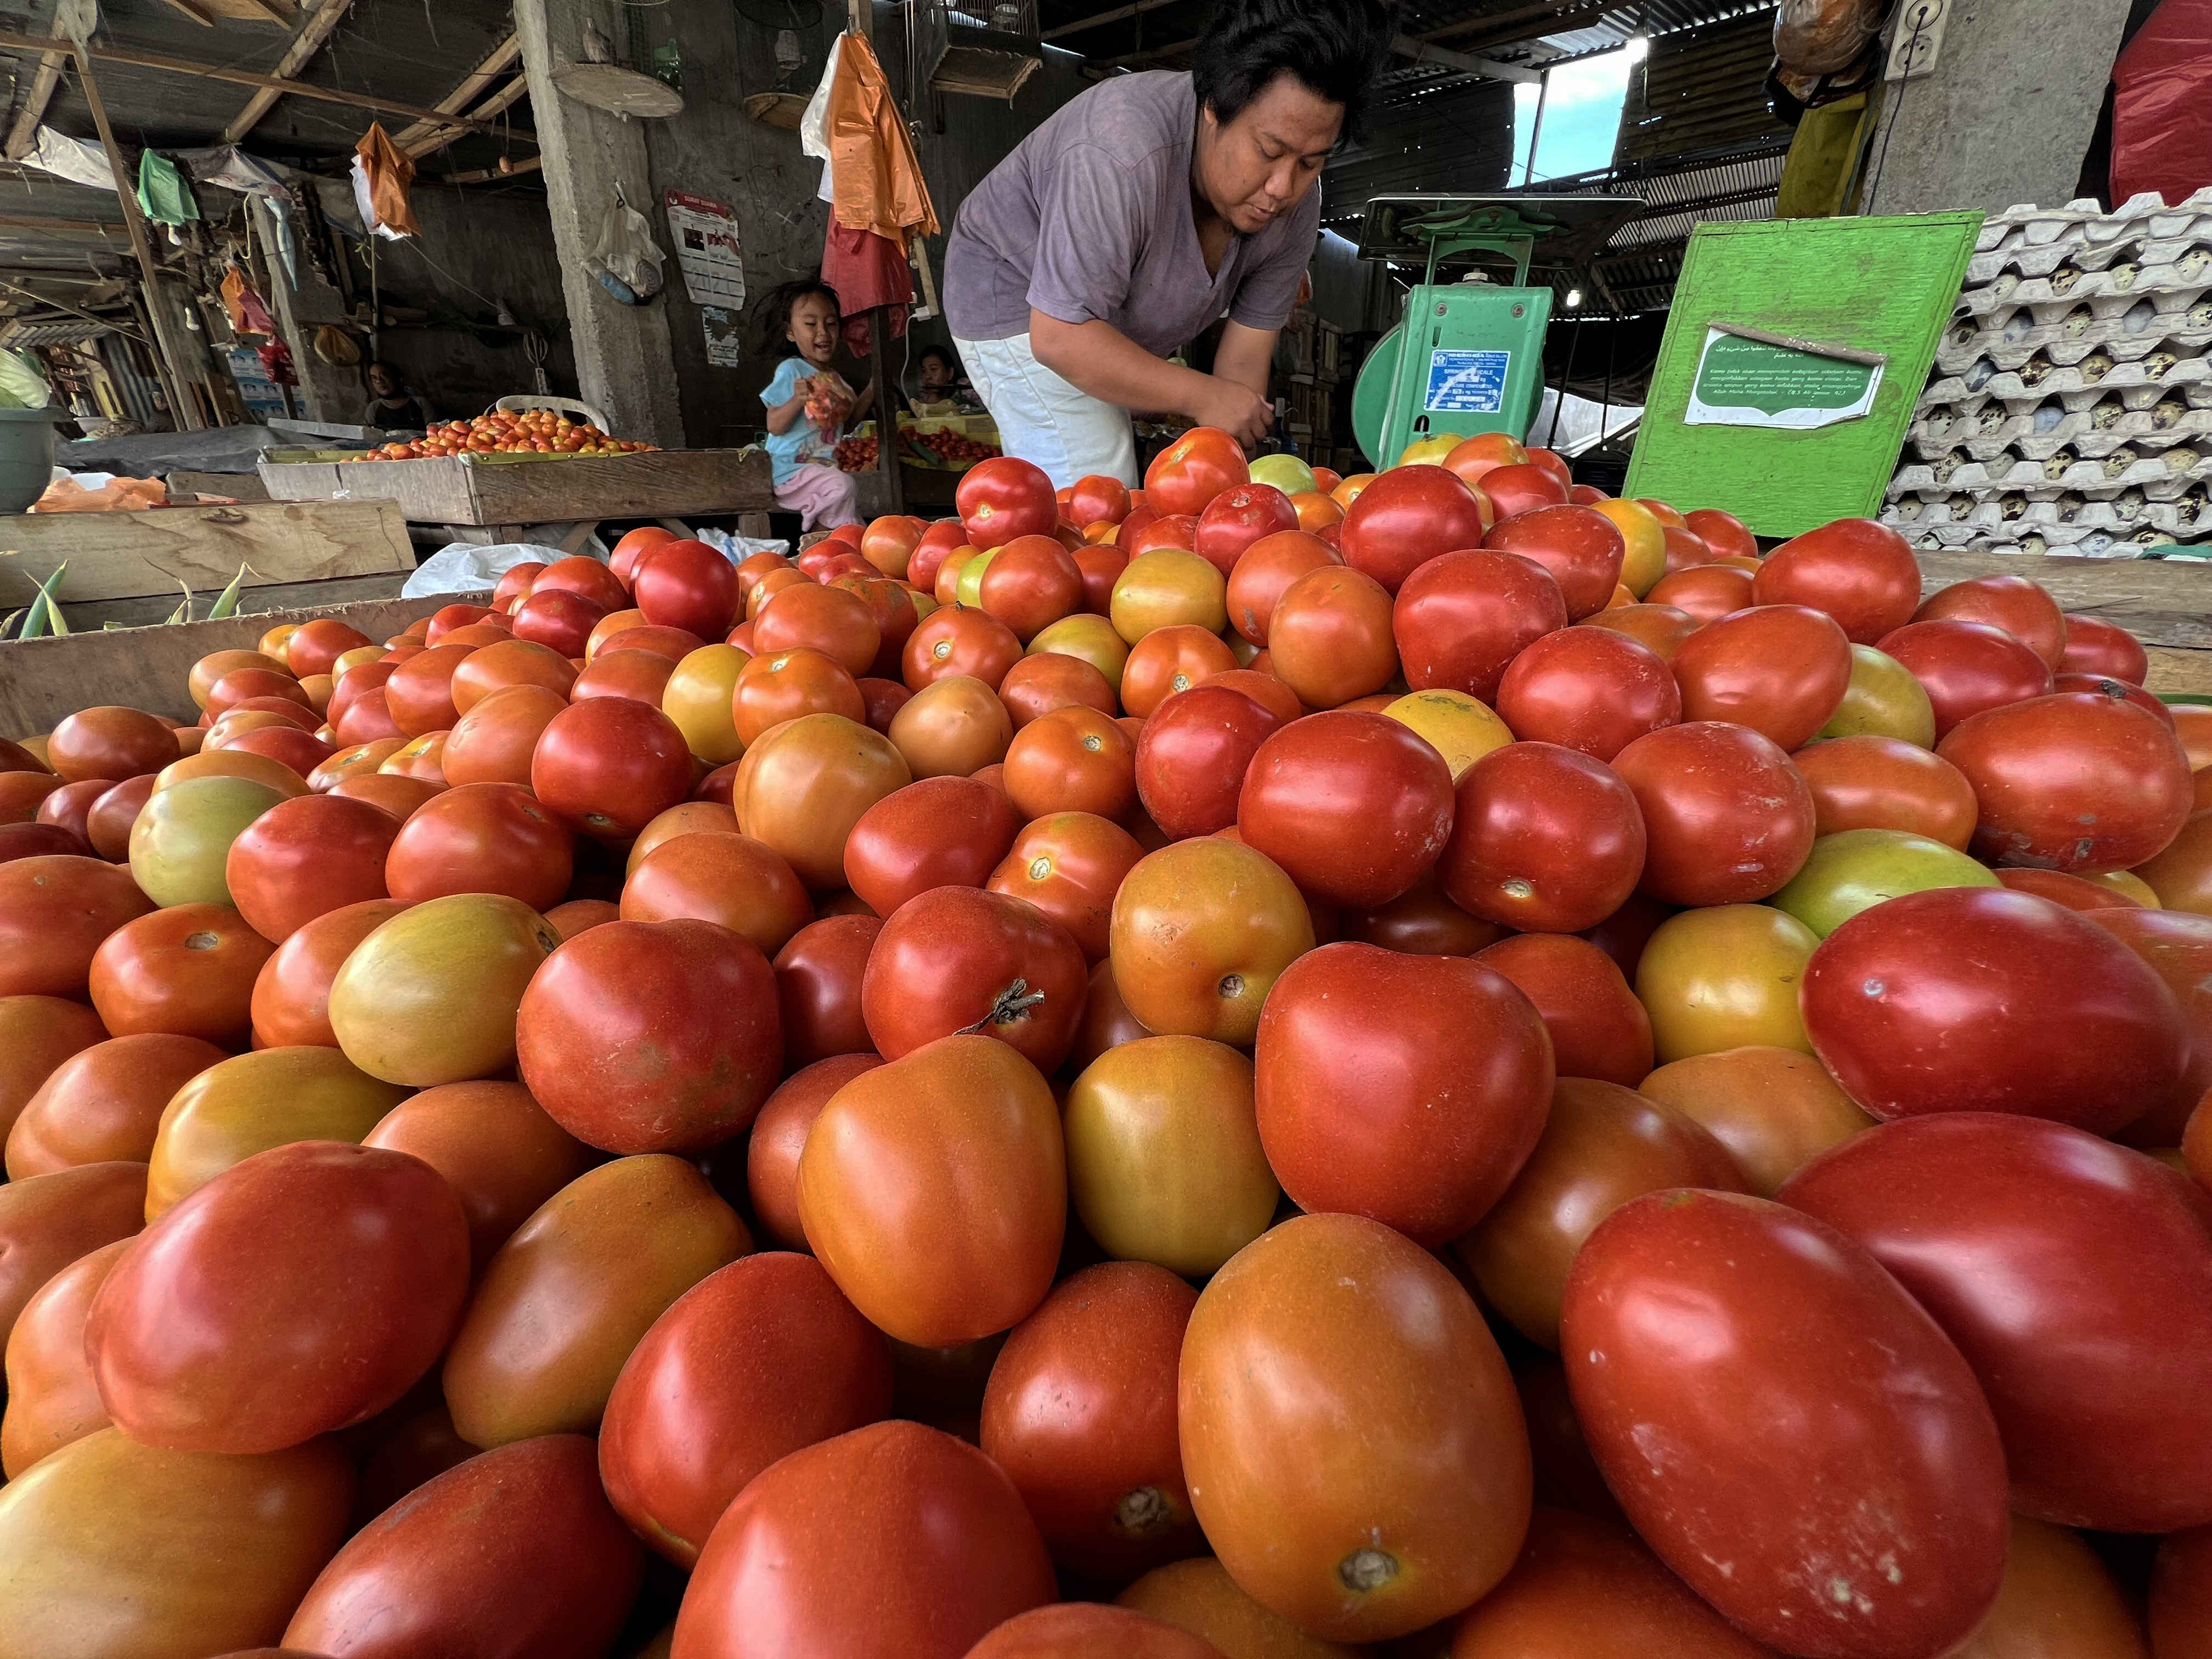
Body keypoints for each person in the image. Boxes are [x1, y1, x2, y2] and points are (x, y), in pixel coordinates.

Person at [942, 0, 1392, 487]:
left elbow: (1242, 363)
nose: (1283, 187)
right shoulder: (1118, 151)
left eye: (1310, 163)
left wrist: (1233, 486)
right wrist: (1202, 396)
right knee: (1096, 487)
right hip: (1019, 300)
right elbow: (1060, 337)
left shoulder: (1297, 206)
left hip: (1104, 323)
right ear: (1214, 109)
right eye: (1269, 152)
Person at [754, 276, 874, 532]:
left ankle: (825, 550)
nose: (823, 332)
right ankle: (819, 547)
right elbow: (774, 426)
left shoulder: (837, 381)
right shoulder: (792, 370)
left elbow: (848, 423)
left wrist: (872, 390)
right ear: (790, 332)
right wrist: (798, 400)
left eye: (831, 324)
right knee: (842, 487)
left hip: (819, 472)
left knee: (852, 519)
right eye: (811, 324)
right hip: (788, 472)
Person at [910, 344, 984, 416]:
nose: (927, 376)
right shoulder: (925, 398)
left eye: (933, 369)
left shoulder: (966, 391)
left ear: (950, 373)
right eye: (924, 371)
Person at [360, 361, 430, 433]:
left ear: (398, 379)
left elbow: (434, 433)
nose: (379, 381)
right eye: (374, 378)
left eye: (384, 376)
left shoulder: (420, 403)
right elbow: (370, 436)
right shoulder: (373, 408)